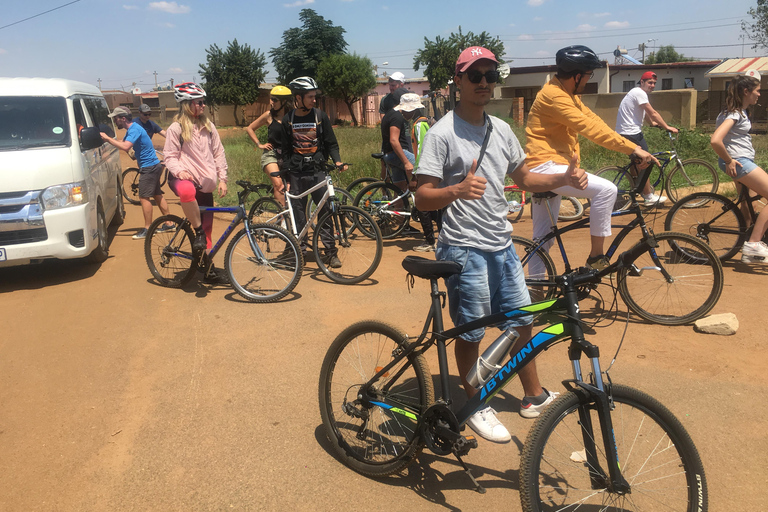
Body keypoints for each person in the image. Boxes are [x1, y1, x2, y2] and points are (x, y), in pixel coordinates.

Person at [415, 46, 588, 443]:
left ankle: (533, 395)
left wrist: (564, 177)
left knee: (522, 321)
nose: (483, 83)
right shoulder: (443, 133)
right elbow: (422, 197)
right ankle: (474, 403)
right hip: (463, 247)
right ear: (457, 81)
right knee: (471, 331)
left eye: (490, 75)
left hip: (502, 245)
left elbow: (525, 179)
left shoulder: (502, 129)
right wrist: (457, 189)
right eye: (474, 75)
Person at [526, 45, 658, 270]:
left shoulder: (566, 93)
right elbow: (589, 128)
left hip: (550, 166)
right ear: (577, 75)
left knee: (543, 240)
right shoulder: (554, 96)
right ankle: (596, 258)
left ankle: (537, 292)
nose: (588, 79)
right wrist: (633, 149)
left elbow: (592, 119)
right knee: (607, 190)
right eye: (588, 75)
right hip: (548, 167)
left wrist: (627, 144)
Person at [163, 82, 229, 284]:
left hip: (205, 187)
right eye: (199, 102)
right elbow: (169, 156)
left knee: (208, 233)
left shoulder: (209, 127)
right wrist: (180, 171)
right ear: (186, 104)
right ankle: (197, 232)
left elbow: (219, 153)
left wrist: (223, 178)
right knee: (186, 193)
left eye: (203, 102)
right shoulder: (176, 128)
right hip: (182, 179)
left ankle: (207, 270)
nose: (203, 106)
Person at [280, 76, 345, 268]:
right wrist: (286, 177)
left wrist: (338, 160)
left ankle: (330, 253)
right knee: (299, 216)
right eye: (310, 96)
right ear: (298, 98)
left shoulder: (320, 116)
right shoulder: (288, 120)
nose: (314, 100)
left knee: (325, 212)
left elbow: (331, 143)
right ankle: (299, 251)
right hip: (297, 175)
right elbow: (285, 151)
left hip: (318, 173)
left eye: (314, 96)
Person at [711, 71, 768, 263]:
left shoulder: (732, 111)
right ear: (746, 91)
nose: (759, 94)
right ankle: (753, 244)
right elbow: (716, 140)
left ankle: (747, 246)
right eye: (757, 91)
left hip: (739, 162)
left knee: (748, 202)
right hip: (739, 162)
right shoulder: (734, 114)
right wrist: (728, 160)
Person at [100, 106, 172, 240]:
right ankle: (169, 223)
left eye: (116, 118)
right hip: (153, 166)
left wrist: (109, 139)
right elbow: (124, 142)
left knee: (144, 198)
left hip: (149, 167)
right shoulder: (132, 129)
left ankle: (148, 228)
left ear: (122, 118)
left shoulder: (134, 129)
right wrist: (108, 140)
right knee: (157, 194)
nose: (115, 121)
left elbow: (126, 147)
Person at [616, 71, 679, 205]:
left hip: (625, 132)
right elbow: (653, 112)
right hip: (631, 132)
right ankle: (648, 196)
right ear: (642, 82)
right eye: (650, 82)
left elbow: (644, 113)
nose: (652, 85)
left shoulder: (635, 93)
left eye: (654, 83)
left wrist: (652, 124)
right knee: (646, 160)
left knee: (637, 162)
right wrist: (667, 127)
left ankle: (636, 189)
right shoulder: (640, 93)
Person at [380, 90, 422, 236]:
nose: (414, 114)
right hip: (396, 155)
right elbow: (393, 140)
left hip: (389, 156)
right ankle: (424, 213)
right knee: (422, 169)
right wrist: (406, 162)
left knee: (400, 190)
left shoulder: (390, 114)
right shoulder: (397, 117)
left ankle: (402, 226)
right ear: (409, 109)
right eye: (414, 110)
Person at [244, 86, 293, 206]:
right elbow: (250, 128)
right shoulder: (268, 115)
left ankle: (287, 214)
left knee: (290, 188)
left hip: (288, 155)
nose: (271, 102)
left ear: (284, 101)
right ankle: (284, 218)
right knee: (278, 184)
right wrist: (259, 144)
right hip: (271, 154)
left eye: (275, 100)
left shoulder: (292, 116)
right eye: (271, 99)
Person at [410, 102, 442, 252]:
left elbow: (422, 149)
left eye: (405, 110)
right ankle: (441, 236)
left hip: (426, 169)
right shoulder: (424, 123)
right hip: (432, 168)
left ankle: (430, 241)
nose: (403, 113)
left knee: (421, 205)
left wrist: (415, 175)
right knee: (433, 206)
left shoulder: (419, 125)